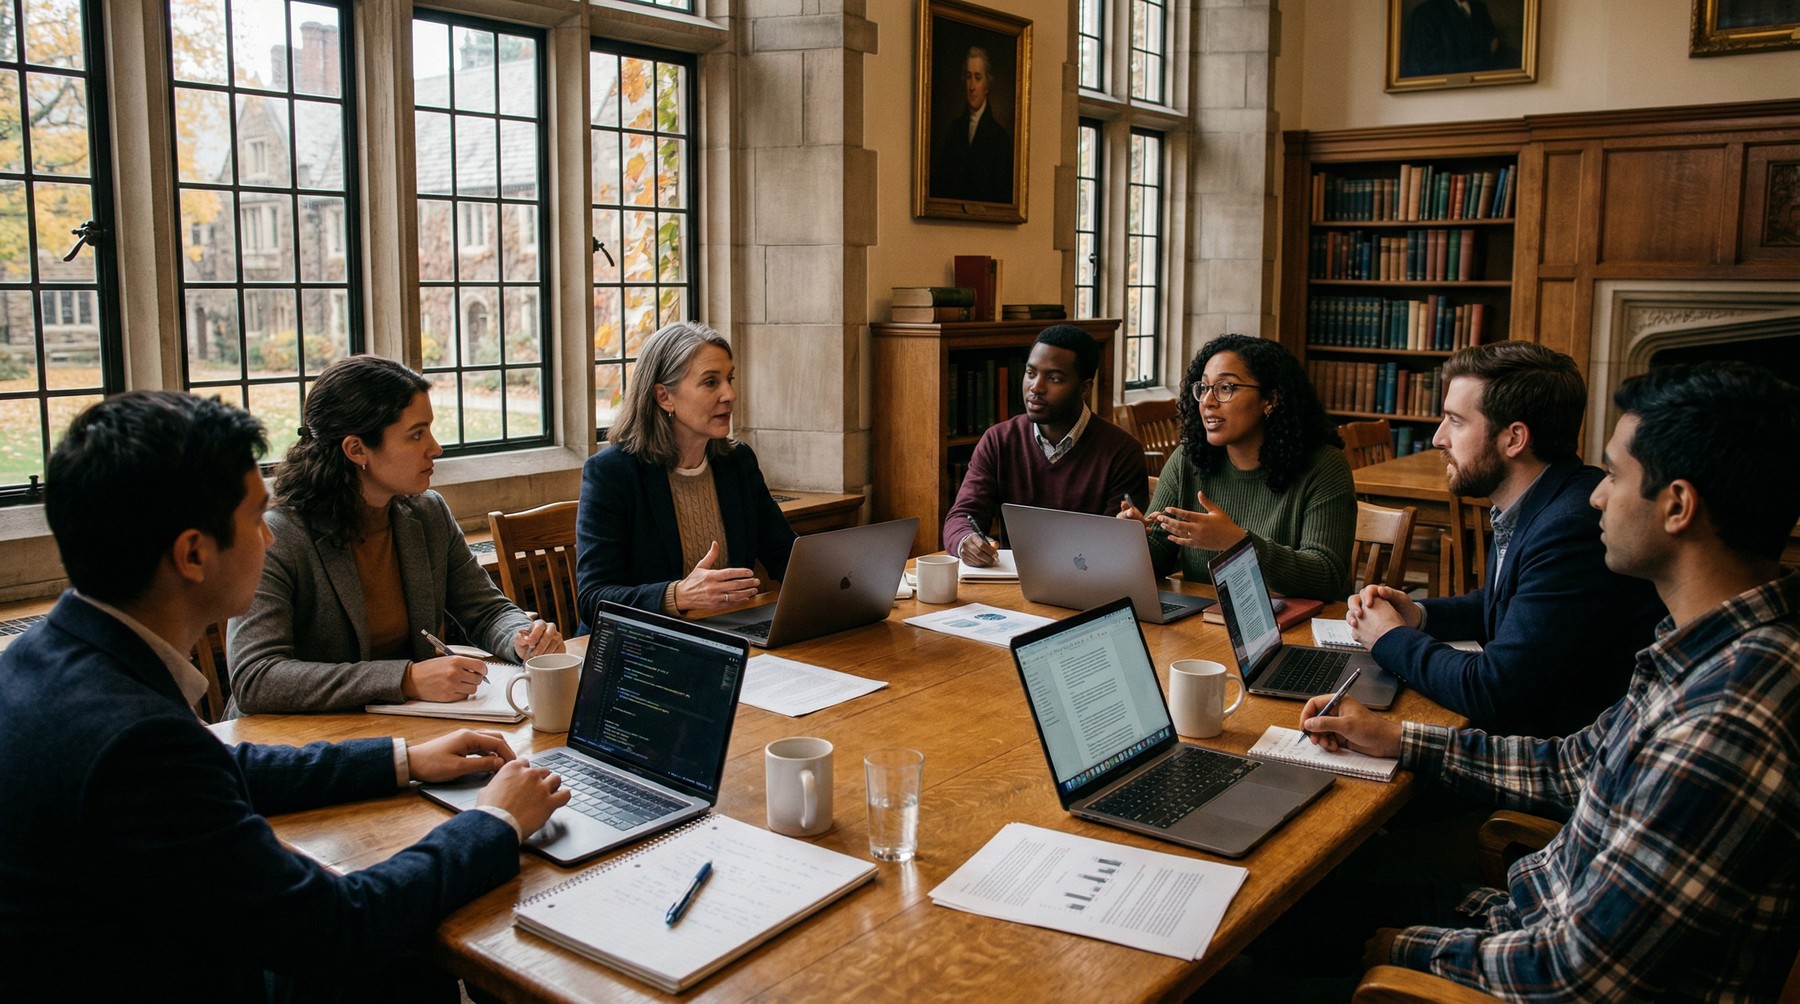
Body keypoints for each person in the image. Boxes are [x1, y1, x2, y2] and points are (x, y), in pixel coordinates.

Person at [0, 390, 569, 999]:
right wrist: (495, 820)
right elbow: (338, 923)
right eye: (252, 521)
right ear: (193, 553)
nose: (267, 541)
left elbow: (219, 764)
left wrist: (402, 759)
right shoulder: (136, 740)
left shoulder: (41, 658)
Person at [1303, 362, 1800, 1001]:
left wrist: (1401, 947)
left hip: (1532, 952)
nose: (1595, 494)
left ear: (1677, 506)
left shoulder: (1729, 720)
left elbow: (1573, 974)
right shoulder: (1702, 647)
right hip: (1534, 907)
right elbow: (1572, 764)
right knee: (1319, 901)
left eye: (1616, 476)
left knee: (1283, 935)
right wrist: (1399, 737)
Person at [1345, 342, 1663, 737]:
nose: (1438, 438)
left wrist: (1390, 637)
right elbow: (1502, 603)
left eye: (1455, 421)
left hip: (1543, 762)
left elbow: (1493, 690)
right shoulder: (1545, 497)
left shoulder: (1570, 526)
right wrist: (1420, 615)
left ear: (1513, 438)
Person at [228, 355, 562, 715]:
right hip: (294, 747)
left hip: (401, 731)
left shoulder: (428, 512)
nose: (435, 448)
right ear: (356, 450)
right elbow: (256, 677)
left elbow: (485, 611)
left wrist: (521, 638)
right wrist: (406, 679)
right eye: (416, 434)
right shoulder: (281, 537)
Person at [576, 321, 796, 621]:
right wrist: (677, 595)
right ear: (664, 396)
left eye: (729, 379)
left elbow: (787, 556)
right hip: (645, 645)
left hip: (729, 633)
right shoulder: (612, 473)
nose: (729, 394)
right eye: (710, 382)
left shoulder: (738, 462)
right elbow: (593, 599)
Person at [1120, 333, 1354, 601]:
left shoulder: (1324, 466)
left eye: (1226, 388)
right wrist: (1131, 540)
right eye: (1204, 388)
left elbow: (1327, 577)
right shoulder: (1188, 459)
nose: (1208, 401)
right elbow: (1158, 558)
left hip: (1292, 631)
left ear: (1271, 400)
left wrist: (1238, 543)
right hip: (1204, 624)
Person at [944, 324, 1148, 566]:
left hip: (1086, 585)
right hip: (1014, 586)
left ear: (1084, 388)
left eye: (1054, 378)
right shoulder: (999, 440)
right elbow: (961, 517)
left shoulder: (1122, 452)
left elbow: (1113, 545)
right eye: (1031, 373)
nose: (1036, 388)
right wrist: (966, 539)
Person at [930, 45, 1013, 203]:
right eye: (968, 77)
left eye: (978, 77)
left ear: (987, 85)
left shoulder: (999, 137)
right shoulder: (954, 130)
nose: (972, 86)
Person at [1400, 0, 1507, 77]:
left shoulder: (1480, 9)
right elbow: (1429, 66)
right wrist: (1482, 59)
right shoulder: (1425, 13)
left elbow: (1493, 44)